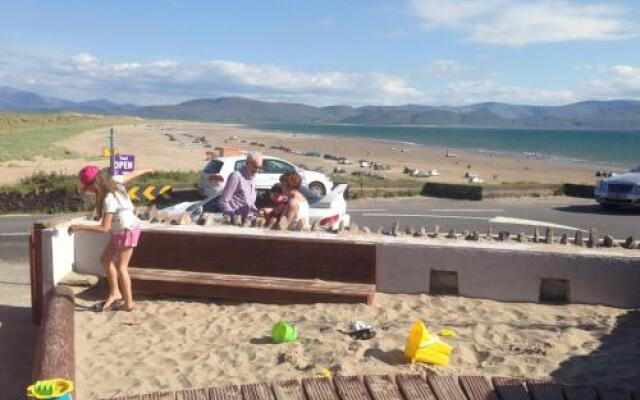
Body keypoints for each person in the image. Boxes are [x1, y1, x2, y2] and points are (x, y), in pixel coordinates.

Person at [68, 166, 152, 312]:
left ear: (94, 185)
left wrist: (80, 227)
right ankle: (115, 293)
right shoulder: (114, 181)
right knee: (105, 260)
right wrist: (146, 169)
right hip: (120, 229)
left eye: (86, 186)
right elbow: (131, 174)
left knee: (121, 267)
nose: (85, 190)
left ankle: (129, 303)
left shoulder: (108, 198)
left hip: (126, 230)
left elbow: (104, 228)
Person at [218, 152, 263, 218]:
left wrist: (257, 211)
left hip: (247, 221)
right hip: (235, 222)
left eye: (259, 167)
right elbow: (223, 201)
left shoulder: (252, 179)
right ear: (247, 163)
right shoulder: (236, 176)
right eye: (255, 167)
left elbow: (249, 204)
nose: (257, 170)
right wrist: (233, 216)